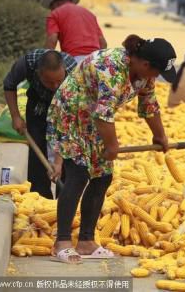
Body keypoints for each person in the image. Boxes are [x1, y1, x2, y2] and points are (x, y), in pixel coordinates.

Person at [46, 35, 176, 264]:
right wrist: (112, 146)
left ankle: (86, 241)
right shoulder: (111, 67)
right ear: (145, 64)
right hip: (71, 113)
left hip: (94, 121)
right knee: (78, 173)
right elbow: (103, 113)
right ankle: (62, 242)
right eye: (157, 72)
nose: (156, 78)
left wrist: (160, 135)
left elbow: (149, 106)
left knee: (103, 176)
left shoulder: (144, 76)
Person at [3, 50, 77, 199]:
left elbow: (67, 126)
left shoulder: (75, 74)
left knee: (69, 155)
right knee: (37, 148)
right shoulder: (27, 63)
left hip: (66, 106)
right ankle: (40, 197)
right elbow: (9, 84)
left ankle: (65, 199)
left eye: (59, 81)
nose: (56, 85)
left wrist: (58, 162)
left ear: (63, 70)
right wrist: (15, 116)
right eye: (50, 82)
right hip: (39, 103)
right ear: (38, 73)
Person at [42, 0, 107, 63]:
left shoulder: (54, 14)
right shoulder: (89, 14)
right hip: (95, 59)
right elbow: (103, 43)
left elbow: (52, 40)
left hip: (74, 59)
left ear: (55, 3)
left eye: (51, 8)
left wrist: (43, 60)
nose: (51, 10)